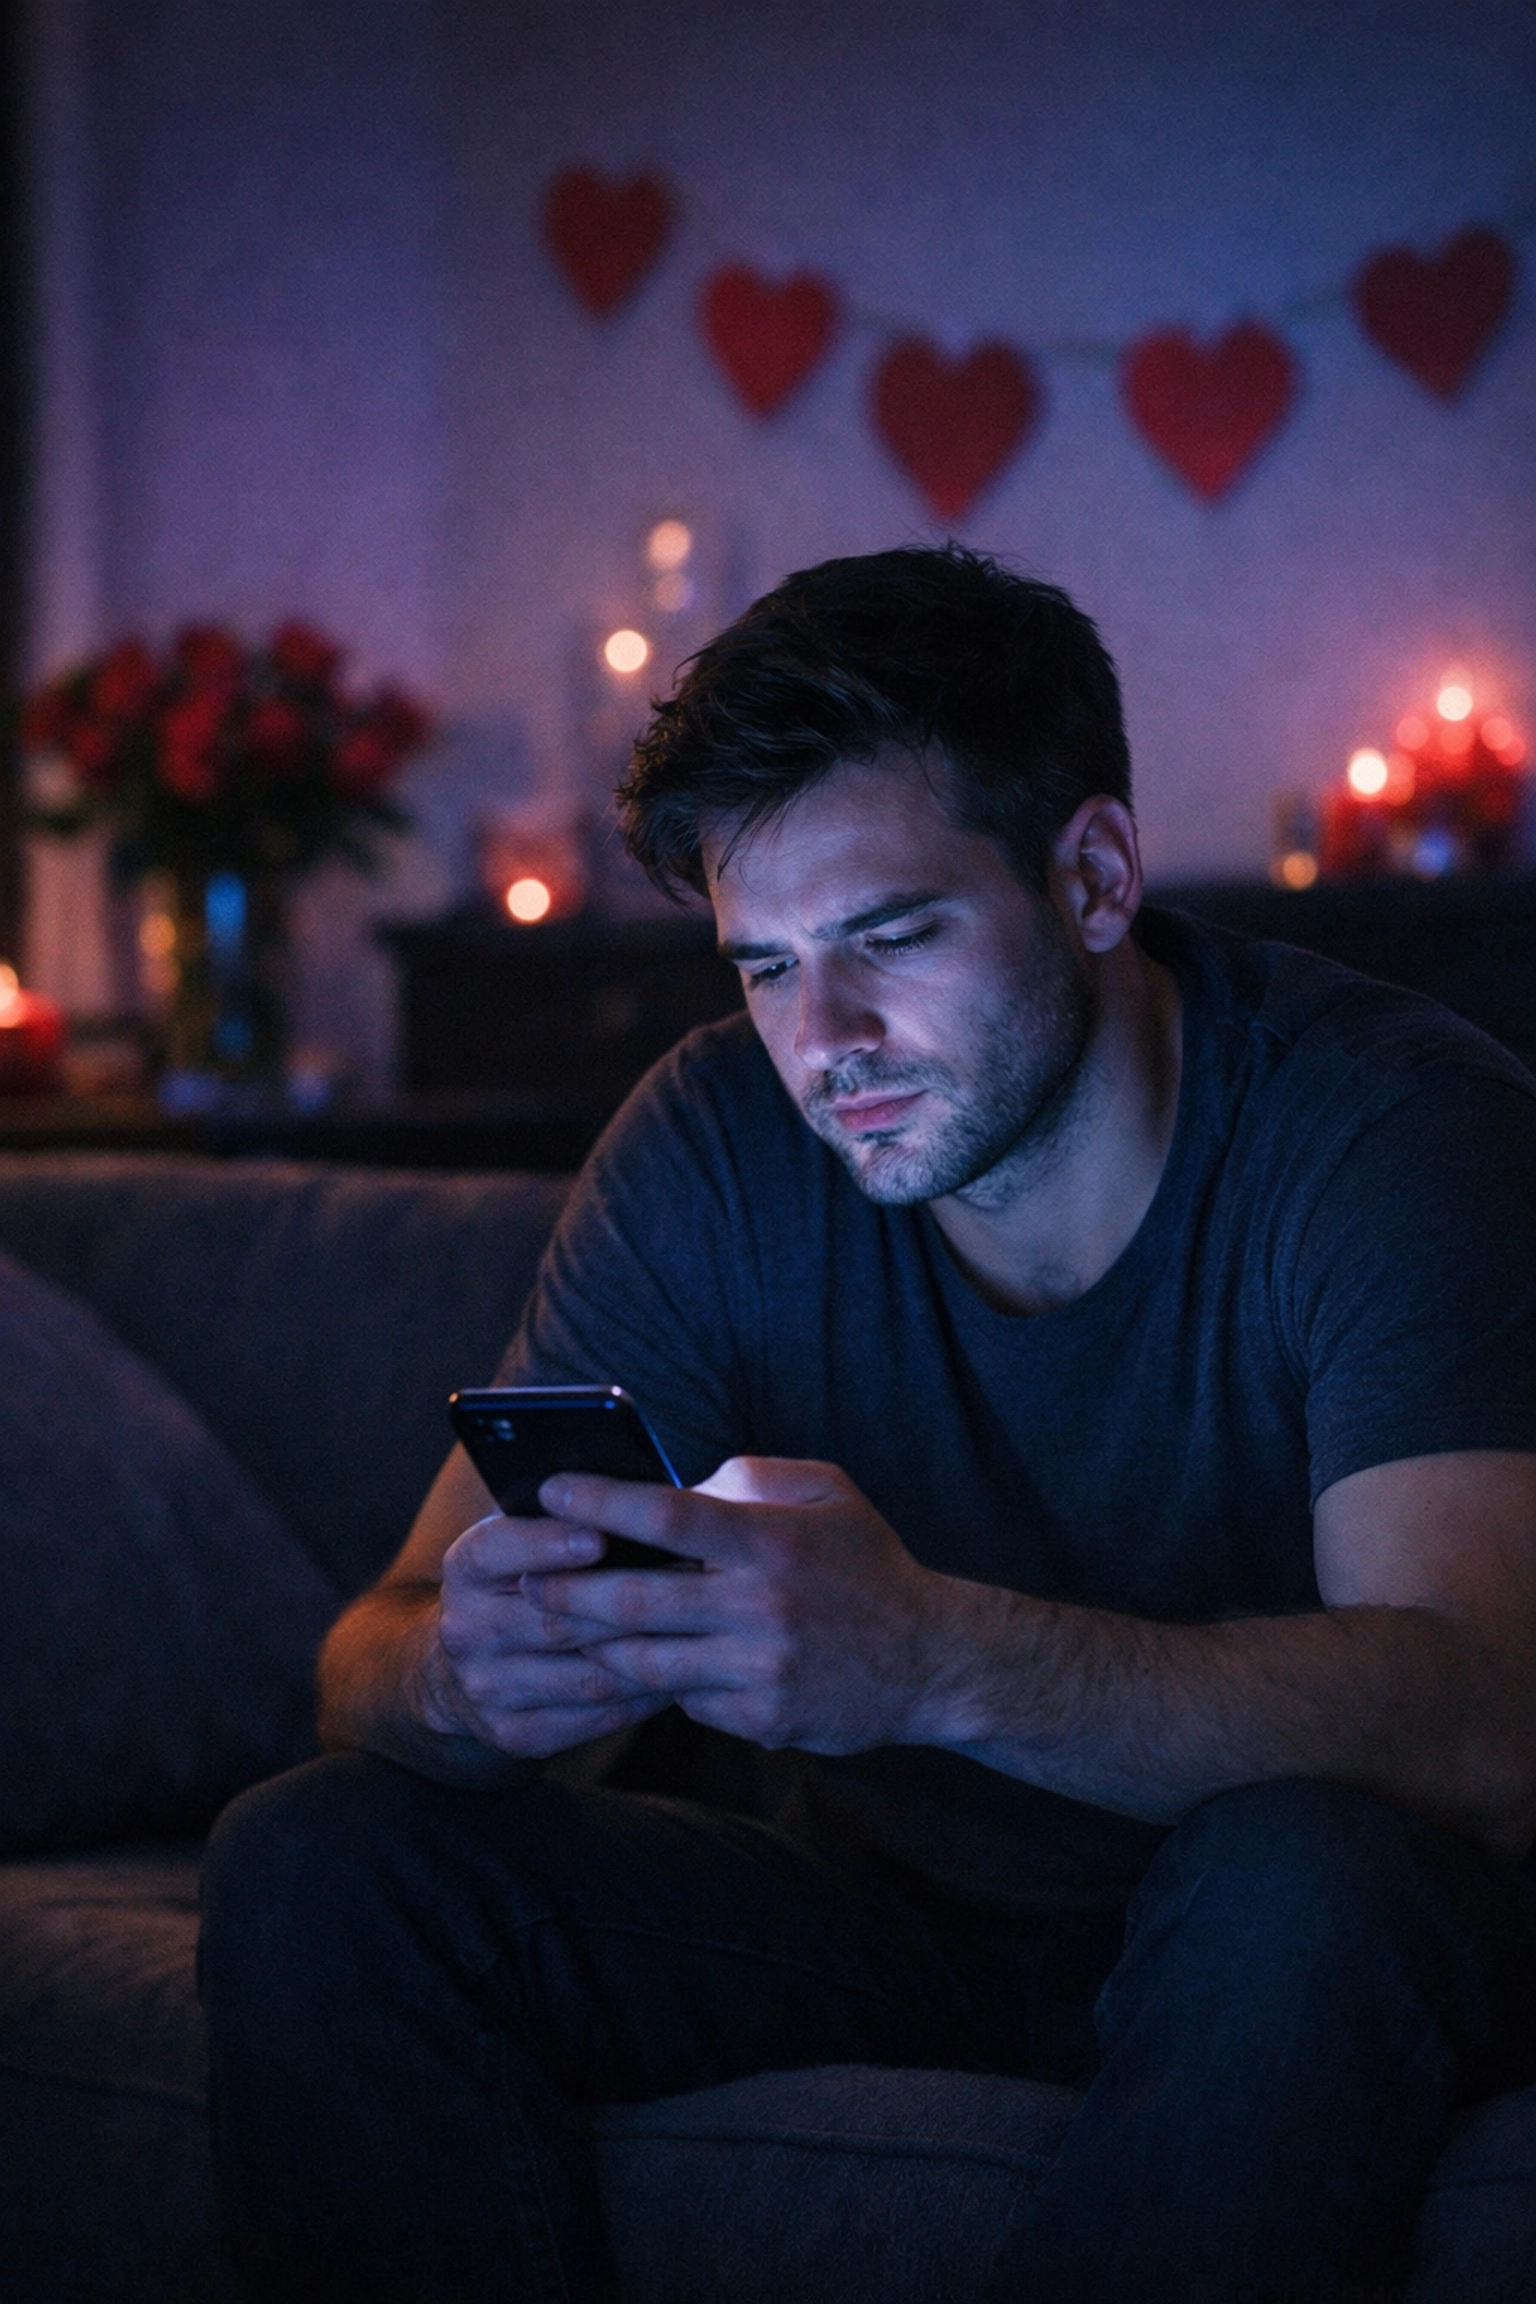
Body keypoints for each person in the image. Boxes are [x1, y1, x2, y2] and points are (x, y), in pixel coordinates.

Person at [201, 546, 1536, 2303]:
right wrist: (466, 1680)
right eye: (765, 969)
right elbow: (369, 1649)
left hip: (1310, 1925)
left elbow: (1486, 1726)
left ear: (1096, 875)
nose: (824, 1043)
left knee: (1302, 1873)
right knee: (317, 1853)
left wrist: (930, 1661)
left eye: (892, 939)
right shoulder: (715, 1144)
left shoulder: (1383, 1131)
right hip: (899, 1925)